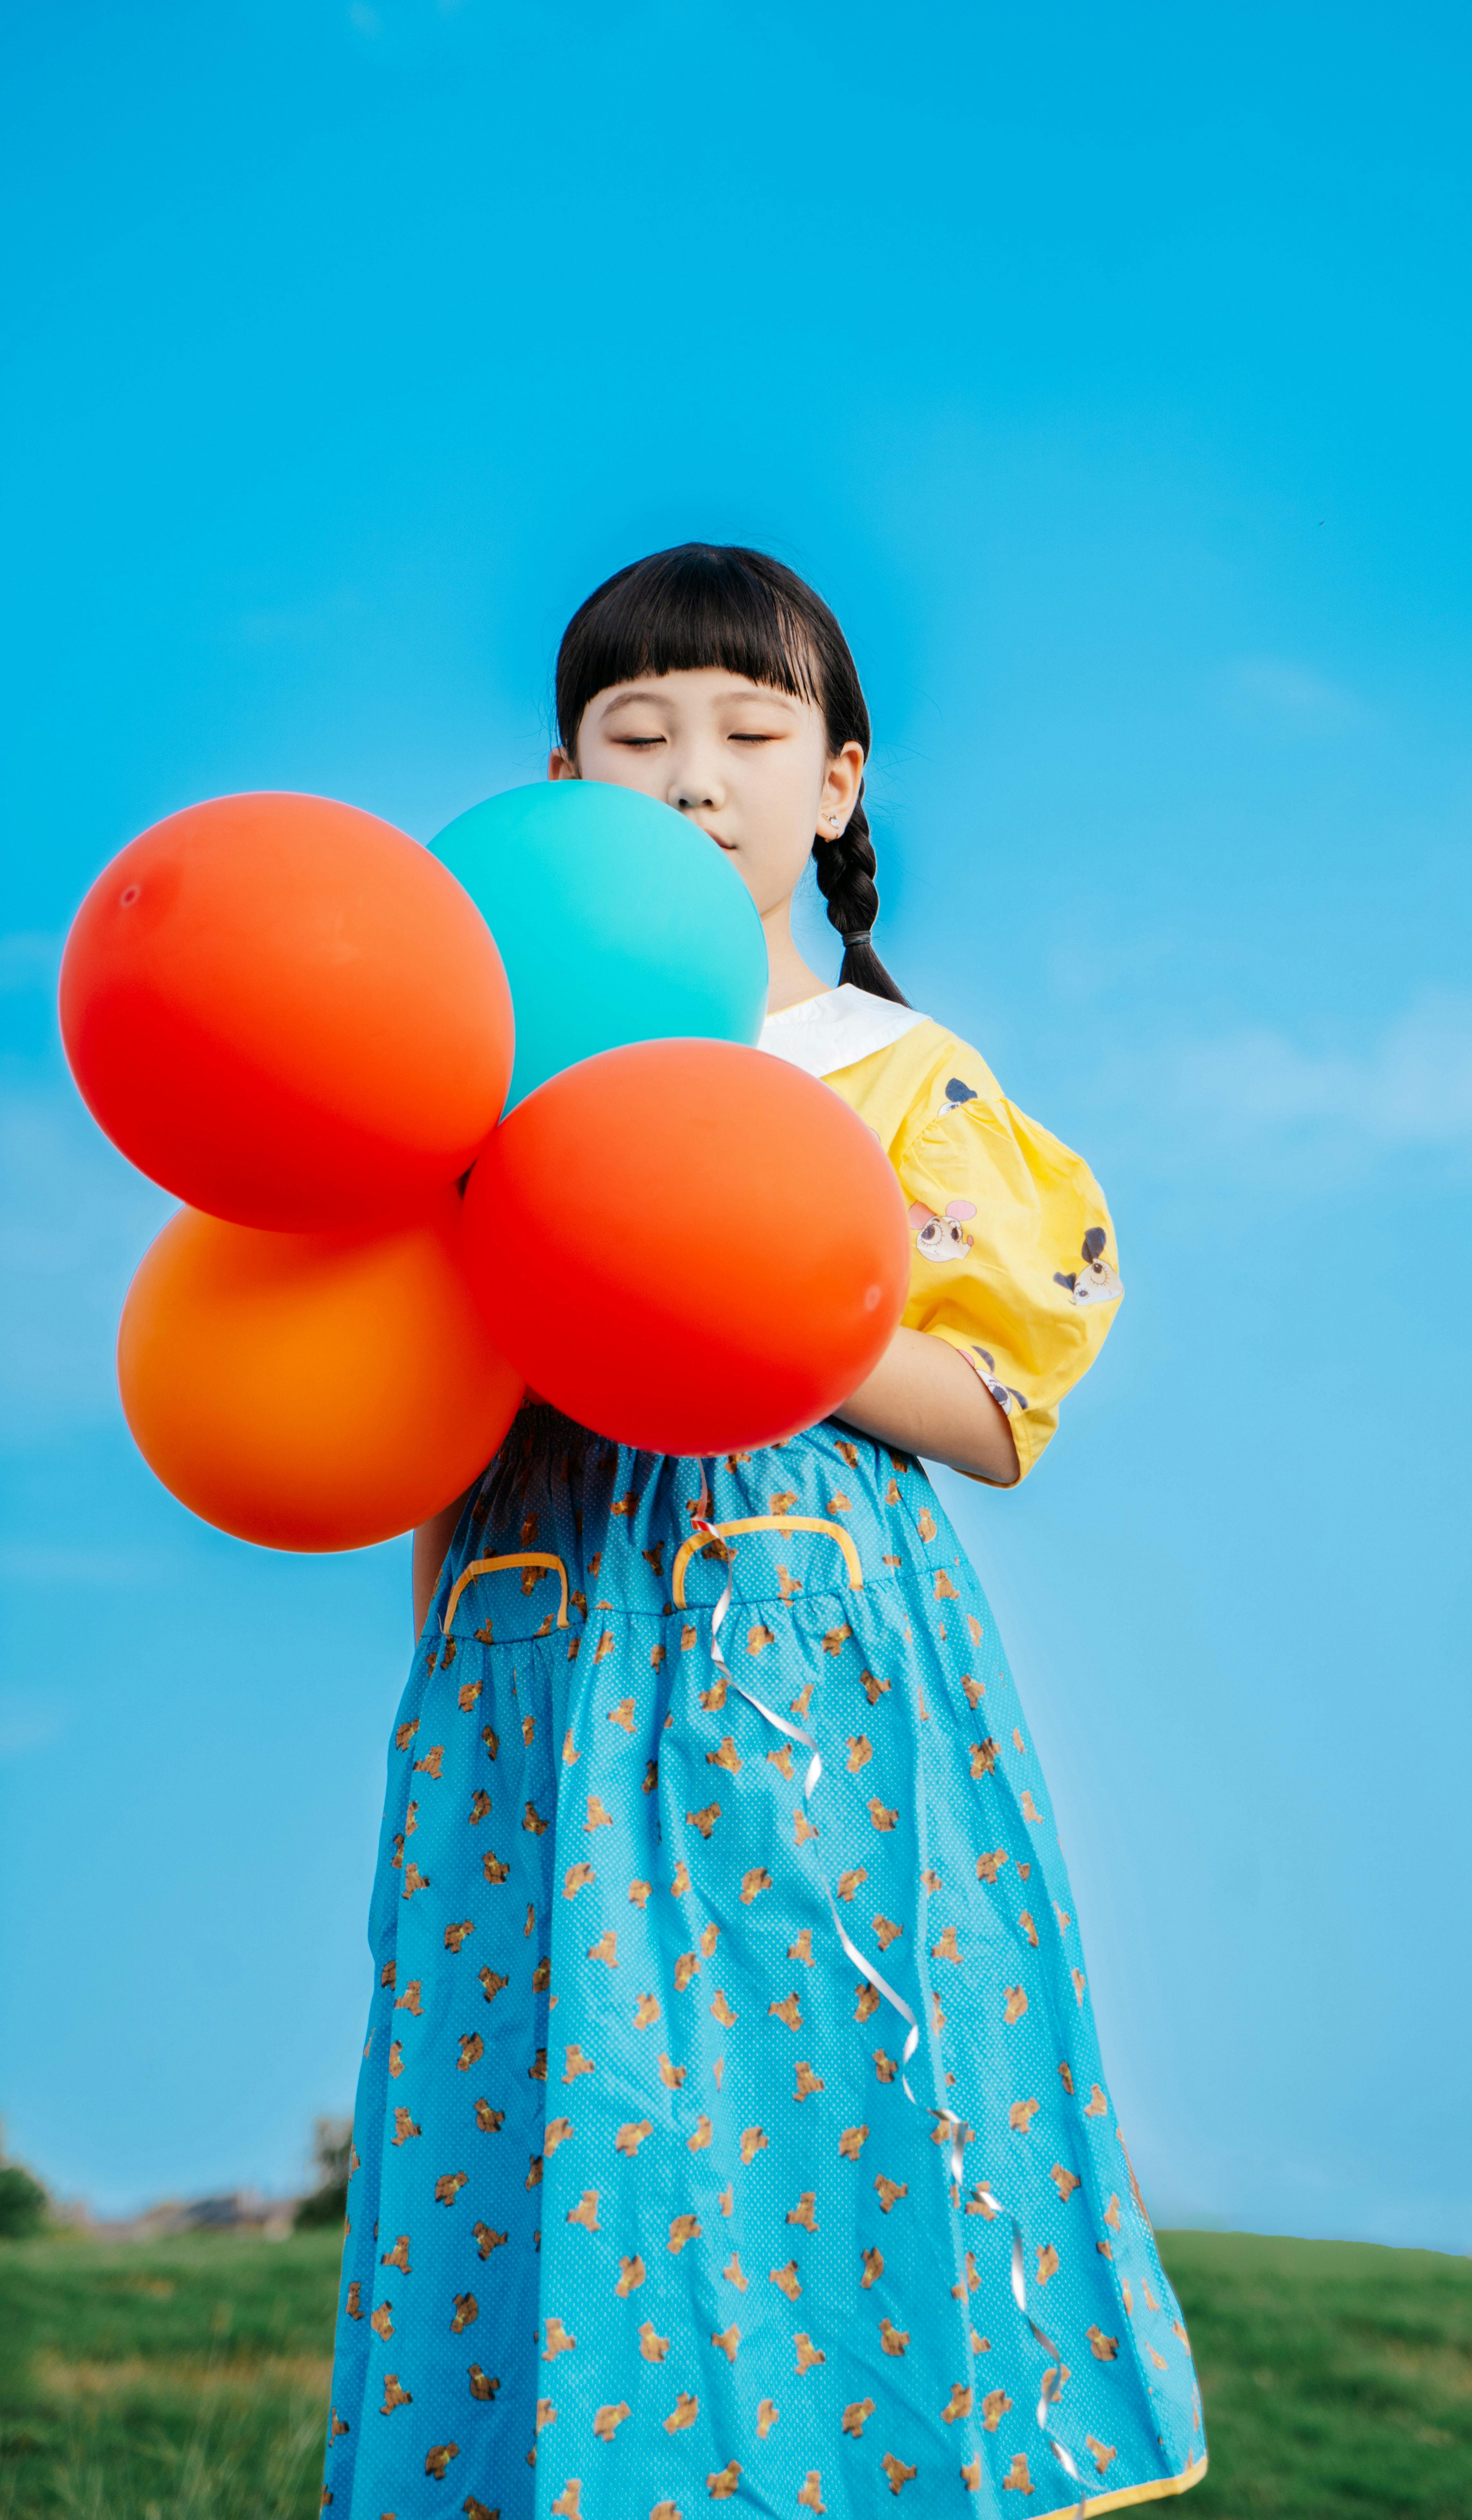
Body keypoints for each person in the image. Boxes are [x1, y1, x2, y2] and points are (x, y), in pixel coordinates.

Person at [322, 546, 1205, 2518]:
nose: (693, 777)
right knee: (543, 2113)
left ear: (839, 783)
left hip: (793, 1669)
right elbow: (416, 1425)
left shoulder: (896, 1076)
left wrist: (734, 1283)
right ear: (560, 783)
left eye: (748, 731)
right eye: (636, 738)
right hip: (532, 1678)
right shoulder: (468, 1094)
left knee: (813, 2103)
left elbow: (994, 1412)